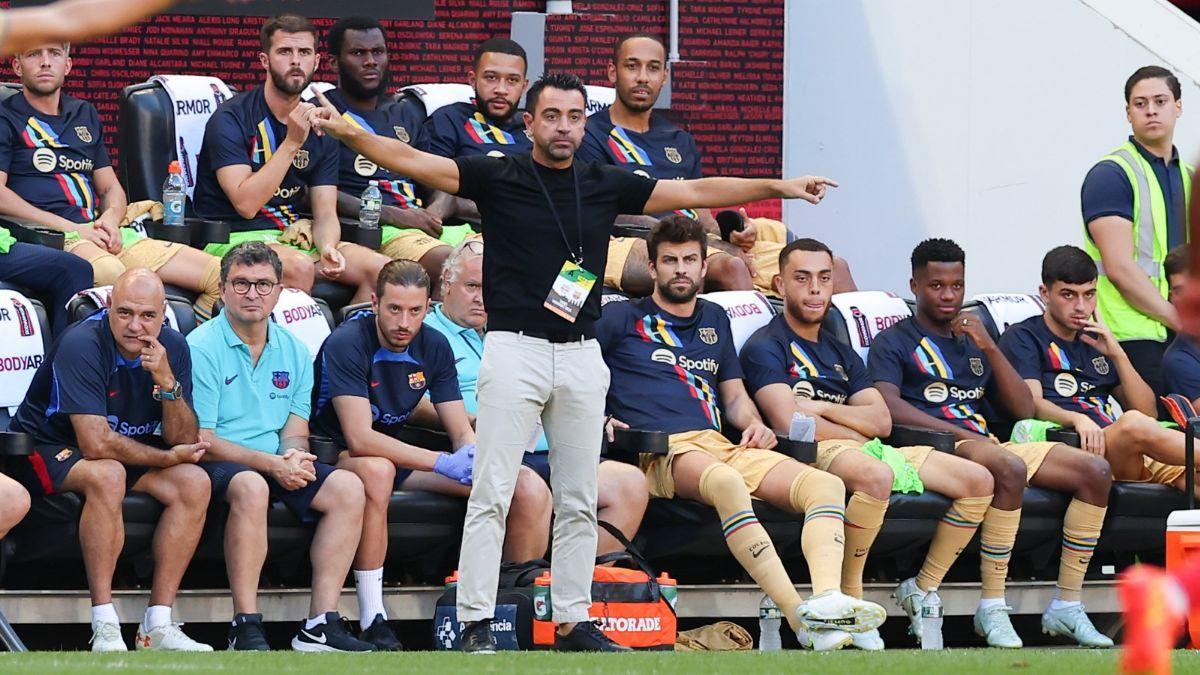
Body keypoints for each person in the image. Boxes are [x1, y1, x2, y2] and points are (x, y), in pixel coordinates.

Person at [306, 70, 837, 654]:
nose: (564, 127)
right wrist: (348, 132)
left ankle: (573, 621)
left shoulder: (603, 181)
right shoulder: (498, 171)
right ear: (529, 122)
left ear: (588, 123)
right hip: (514, 349)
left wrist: (782, 186)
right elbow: (410, 161)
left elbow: (693, 192)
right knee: (493, 490)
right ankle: (477, 621)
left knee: (580, 495)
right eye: (552, 116)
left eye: (575, 117)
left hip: (583, 357)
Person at [598, 216, 885, 652]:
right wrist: (599, 415)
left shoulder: (715, 315)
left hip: (719, 443)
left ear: (701, 266)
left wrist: (752, 423)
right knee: (727, 482)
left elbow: (732, 394)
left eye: (690, 260)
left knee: (825, 485)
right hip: (658, 451)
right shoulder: (620, 317)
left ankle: (827, 600)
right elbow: (572, 369)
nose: (681, 269)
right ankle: (801, 620)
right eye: (670, 260)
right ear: (652, 269)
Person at [740, 237, 994, 650]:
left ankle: (922, 586)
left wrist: (823, 406)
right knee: (875, 474)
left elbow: (880, 419)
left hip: (867, 445)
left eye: (824, 278)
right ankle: (852, 598)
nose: (816, 289)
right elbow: (791, 422)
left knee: (978, 480)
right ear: (780, 285)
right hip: (808, 454)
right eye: (802, 279)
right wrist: (853, 428)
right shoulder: (765, 345)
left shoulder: (842, 351)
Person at [869, 238, 1114, 648]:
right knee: (1006, 465)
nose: (949, 295)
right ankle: (992, 606)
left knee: (1095, 471)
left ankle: (1067, 605)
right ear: (914, 285)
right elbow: (888, 407)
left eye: (957, 285)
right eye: (936, 286)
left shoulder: (974, 340)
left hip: (987, 443)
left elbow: (1022, 408)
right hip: (931, 446)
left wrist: (989, 347)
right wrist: (961, 434)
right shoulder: (894, 341)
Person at [310, 258, 552, 649]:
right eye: (394, 309)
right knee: (377, 470)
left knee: (525, 485)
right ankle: (374, 616)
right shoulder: (347, 342)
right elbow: (359, 438)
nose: (404, 322)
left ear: (428, 307)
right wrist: (442, 462)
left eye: (415, 311)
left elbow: (459, 429)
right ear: (374, 303)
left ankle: (505, 612)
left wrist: (475, 460)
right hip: (332, 454)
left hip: (399, 455)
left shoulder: (434, 344)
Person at [8, 269, 212, 652]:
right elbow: (97, 444)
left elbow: (183, 437)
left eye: (147, 316)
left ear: (163, 313)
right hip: (47, 446)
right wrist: (167, 457)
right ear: (109, 307)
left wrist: (169, 384)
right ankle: (104, 622)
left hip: (125, 447)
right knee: (109, 474)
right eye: (125, 313)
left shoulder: (173, 347)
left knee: (194, 483)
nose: (135, 326)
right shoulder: (82, 342)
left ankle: (158, 624)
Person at [186, 241, 372, 652]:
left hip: (271, 459)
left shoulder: (294, 349)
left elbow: (294, 426)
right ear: (222, 287)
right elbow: (205, 440)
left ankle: (320, 623)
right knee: (251, 485)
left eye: (263, 285)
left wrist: (293, 456)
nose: (252, 294)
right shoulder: (200, 347)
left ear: (279, 290)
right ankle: (245, 623)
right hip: (217, 462)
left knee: (348, 488)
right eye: (241, 284)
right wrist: (272, 465)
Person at [579, 33, 857, 298]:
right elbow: (604, 213)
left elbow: (702, 210)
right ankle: (761, 349)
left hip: (701, 243)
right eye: (632, 66)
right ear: (612, 72)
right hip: (636, 244)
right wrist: (713, 246)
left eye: (653, 68)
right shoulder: (590, 135)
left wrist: (733, 235)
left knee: (834, 268)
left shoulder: (679, 139)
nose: (642, 77)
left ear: (664, 76)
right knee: (731, 266)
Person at [418, 239, 646, 555]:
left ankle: (570, 587)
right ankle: (524, 593)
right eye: (472, 286)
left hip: (547, 448)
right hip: (481, 449)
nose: (482, 298)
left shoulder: (513, 327)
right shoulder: (425, 332)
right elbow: (410, 400)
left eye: (491, 287)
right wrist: (464, 418)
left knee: (629, 485)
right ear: (446, 283)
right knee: (532, 489)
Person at [0, 42, 223, 319]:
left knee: (221, 277)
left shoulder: (83, 113)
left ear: (67, 65)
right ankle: (113, 360)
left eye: (55, 54)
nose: (45, 62)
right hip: (53, 235)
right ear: (17, 66)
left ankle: (179, 356)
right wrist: (74, 229)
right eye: (34, 53)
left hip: (101, 232)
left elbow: (109, 187)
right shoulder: (5, 116)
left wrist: (112, 219)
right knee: (110, 274)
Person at [192, 14, 390, 303]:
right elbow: (246, 204)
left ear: (317, 61)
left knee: (381, 271)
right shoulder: (230, 118)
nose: (296, 61)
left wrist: (326, 248)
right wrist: (292, 142)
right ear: (264, 60)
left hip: (295, 238)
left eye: (304, 53)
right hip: (234, 238)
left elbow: (325, 213)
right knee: (296, 268)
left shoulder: (322, 123)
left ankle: (342, 346)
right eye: (285, 52)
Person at [1001, 245, 1194, 498]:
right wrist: (1076, 418)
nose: (1081, 306)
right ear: (1045, 293)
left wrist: (1117, 353)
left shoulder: (1095, 340)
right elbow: (1031, 403)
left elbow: (1147, 410)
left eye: (1089, 294)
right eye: (1068, 295)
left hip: (1119, 448)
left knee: (1191, 479)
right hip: (1071, 445)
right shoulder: (1024, 337)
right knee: (1132, 424)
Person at [1081, 66, 1192, 396]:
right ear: (1128, 113)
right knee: (1165, 433)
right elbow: (1119, 269)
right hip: (1130, 334)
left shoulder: (1187, 175)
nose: (1151, 110)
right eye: (1140, 103)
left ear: (1178, 107)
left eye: (1160, 101)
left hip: (1179, 333)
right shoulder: (1112, 174)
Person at [322, 17, 452, 294]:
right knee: (451, 264)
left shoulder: (404, 112)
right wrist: (397, 216)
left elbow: (437, 177)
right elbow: (317, 194)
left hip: (424, 227)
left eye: (378, 52)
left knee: (504, 250)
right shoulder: (323, 114)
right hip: (373, 229)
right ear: (334, 63)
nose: (371, 61)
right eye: (359, 53)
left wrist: (433, 213)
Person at [417, 37, 533, 224]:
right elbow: (434, 182)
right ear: (473, 79)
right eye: (491, 77)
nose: (501, 89)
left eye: (512, 80)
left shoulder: (536, 129)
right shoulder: (450, 119)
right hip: (466, 232)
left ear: (524, 86)